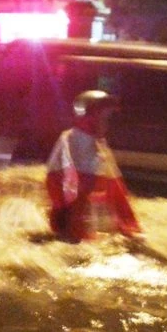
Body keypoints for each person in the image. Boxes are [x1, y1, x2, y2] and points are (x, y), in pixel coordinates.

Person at [45, 90, 142, 243]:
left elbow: (115, 190)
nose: (108, 122)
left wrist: (130, 227)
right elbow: (68, 189)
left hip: (90, 232)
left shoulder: (97, 142)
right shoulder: (72, 140)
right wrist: (75, 232)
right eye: (105, 116)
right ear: (88, 117)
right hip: (76, 234)